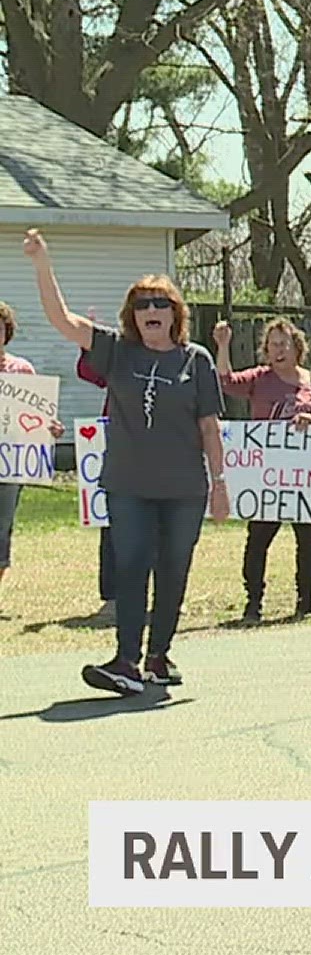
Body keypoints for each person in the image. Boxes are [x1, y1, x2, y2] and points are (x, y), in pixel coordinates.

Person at [25, 230, 229, 695]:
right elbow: (62, 320)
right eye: (142, 305)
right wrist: (42, 264)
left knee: (174, 569)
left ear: (176, 313)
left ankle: (158, 656)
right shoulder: (116, 350)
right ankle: (125, 661)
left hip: (184, 489)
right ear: (131, 316)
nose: (151, 312)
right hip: (128, 485)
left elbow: (209, 427)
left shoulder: (194, 361)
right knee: (132, 565)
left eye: (161, 304)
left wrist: (219, 483)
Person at [213, 317, 311, 624]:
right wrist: (222, 346)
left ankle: (306, 599)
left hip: (304, 476)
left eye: (283, 343)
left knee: (308, 537)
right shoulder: (259, 378)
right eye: (272, 344)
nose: (278, 350)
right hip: (267, 479)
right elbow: (226, 383)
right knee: (258, 537)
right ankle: (254, 601)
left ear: (297, 347)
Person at [0, 302, 64, 601]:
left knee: (2, 528)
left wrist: (49, 429)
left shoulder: (22, 370)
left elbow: (37, 415)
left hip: (11, 465)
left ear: (7, 332)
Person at [75, 349, 114, 618]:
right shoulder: (120, 357)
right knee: (112, 524)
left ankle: (164, 596)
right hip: (117, 445)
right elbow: (88, 371)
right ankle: (112, 596)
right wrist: (88, 346)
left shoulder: (181, 359)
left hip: (161, 448)